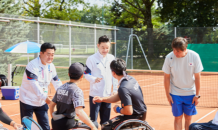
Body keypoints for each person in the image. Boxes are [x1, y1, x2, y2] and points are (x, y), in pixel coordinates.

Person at [93, 58, 147, 130]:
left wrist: (118, 109)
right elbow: (118, 96)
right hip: (141, 114)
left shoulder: (123, 87)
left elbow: (128, 111)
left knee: (105, 127)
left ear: (113, 73)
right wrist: (102, 99)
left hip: (134, 117)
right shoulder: (130, 79)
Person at [162, 37, 203, 130]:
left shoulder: (194, 56)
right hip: (175, 93)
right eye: (173, 50)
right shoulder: (169, 57)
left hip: (190, 94)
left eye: (178, 51)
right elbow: (166, 77)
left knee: (188, 118)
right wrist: (168, 95)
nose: (175, 53)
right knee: (178, 118)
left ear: (185, 49)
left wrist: (197, 95)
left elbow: (197, 77)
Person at [19, 43, 62, 130]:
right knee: (27, 127)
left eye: (52, 55)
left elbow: (56, 82)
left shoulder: (51, 66)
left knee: (45, 127)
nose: (50, 57)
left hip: (41, 102)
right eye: (48, 54)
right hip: (28, 101)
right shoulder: (32, 65)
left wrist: (63, 94)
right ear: (41, 53)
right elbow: (34, 85)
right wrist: (46, 99)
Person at [49, 62, 98, 130]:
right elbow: (79, 112)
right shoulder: (77, 91)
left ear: (68, 74)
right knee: (96, 125)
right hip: (68, 124)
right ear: (81, 76)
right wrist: (93, 127)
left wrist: (54, 121)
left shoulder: (60, 88)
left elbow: (51, 105)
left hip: (56, 123)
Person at [84, 35, 118, 125]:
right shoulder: (91, 59)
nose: (105, 50)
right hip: (95, 95)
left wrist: (115, 90)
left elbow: (115, 76)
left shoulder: (111, 58)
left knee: (106, 122)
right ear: (98, 45)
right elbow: (86, 74)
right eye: (103, 47)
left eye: (107, 48)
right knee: (93, 122)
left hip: (108, 96)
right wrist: (94, 79)